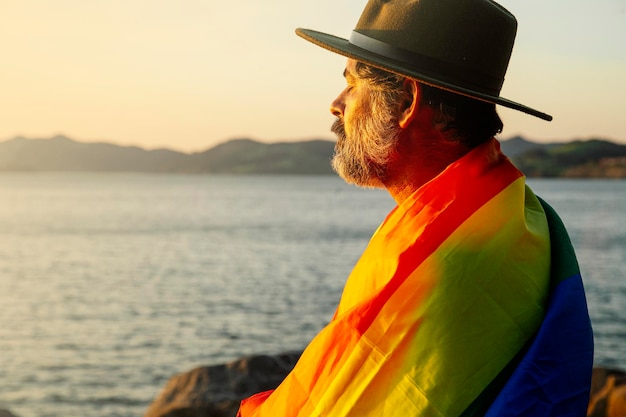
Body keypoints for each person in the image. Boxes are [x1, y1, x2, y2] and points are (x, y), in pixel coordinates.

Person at [239, 0, 594, 415]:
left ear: (407, 101)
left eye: (353, 84)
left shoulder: (446, 257)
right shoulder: (518, 218)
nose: (337, 103)